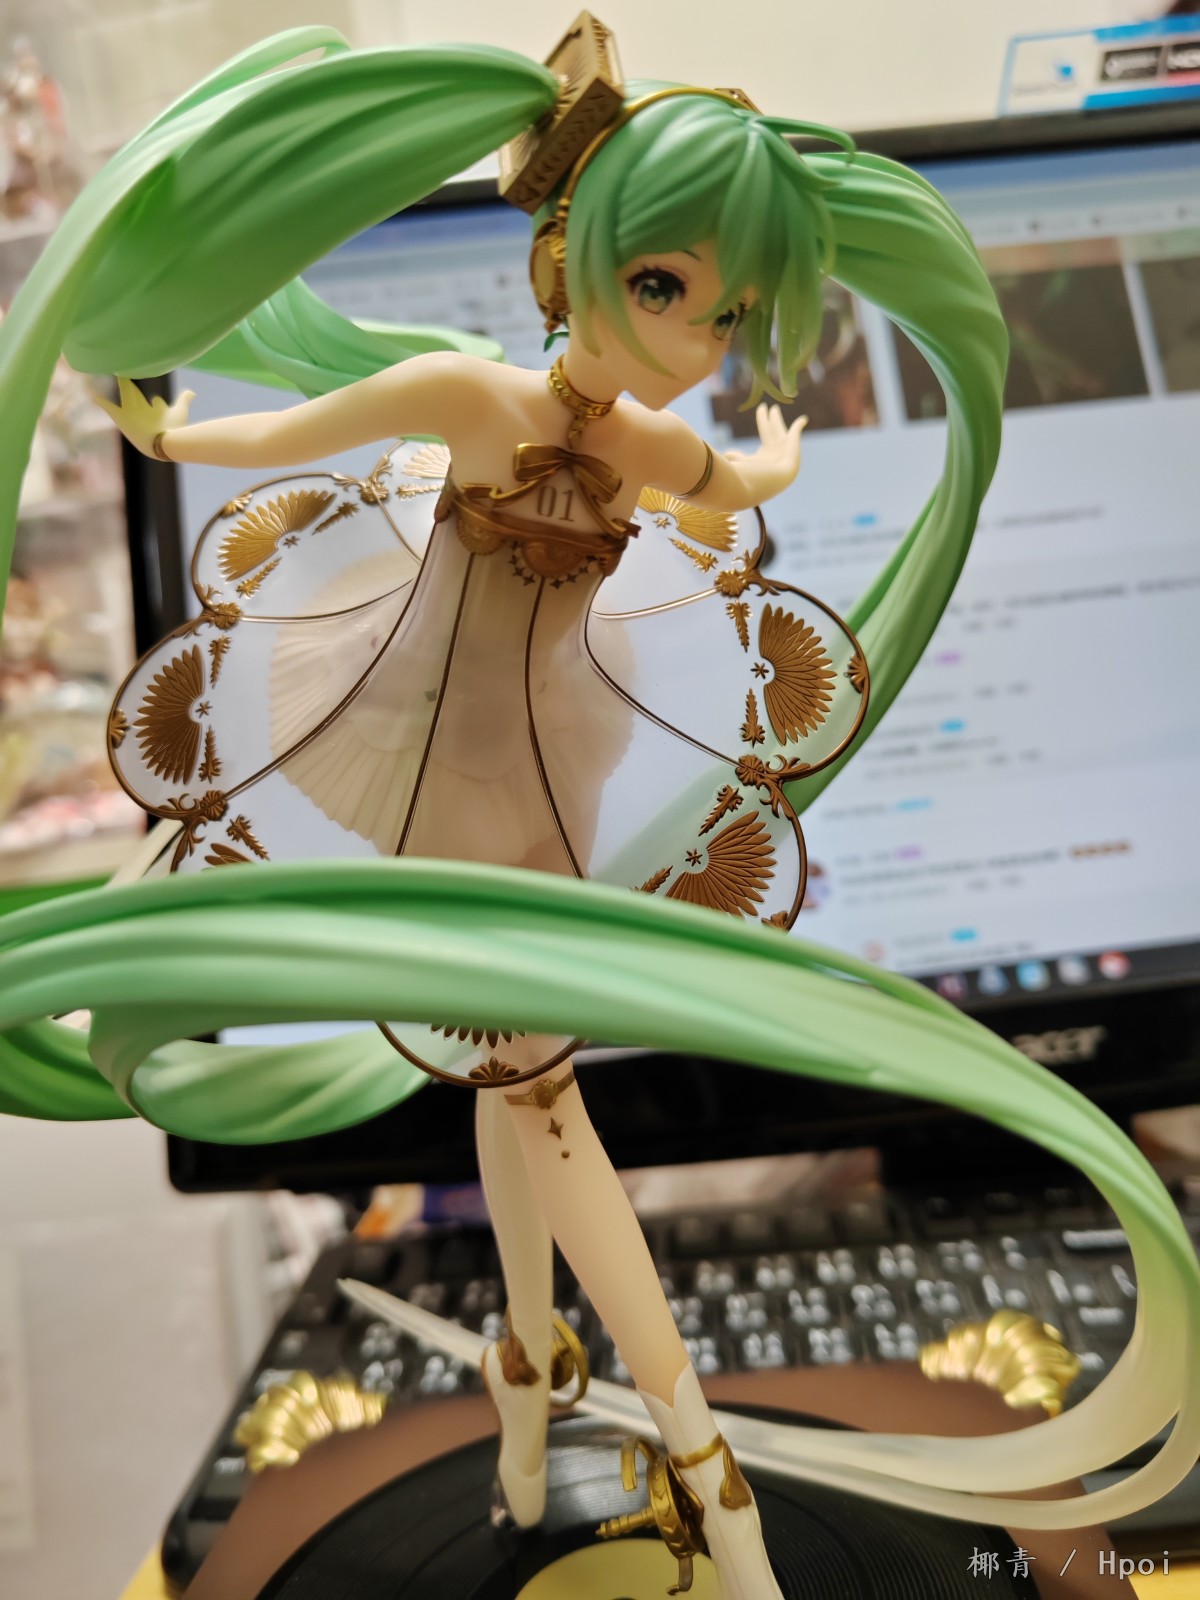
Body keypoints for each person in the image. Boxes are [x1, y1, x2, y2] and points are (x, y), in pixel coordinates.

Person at [1, 22, 1196, 1600]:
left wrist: (769, 459)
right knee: (544, 1102)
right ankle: (700, 1458)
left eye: (731, 313)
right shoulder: (468, 395)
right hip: (421, 756)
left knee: (518, 1089)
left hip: (563, 763)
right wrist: (171, 434)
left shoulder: (650, 441)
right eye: (663, 286)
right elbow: (292, 432)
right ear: (572, 256)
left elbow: (725, 488)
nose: (696, 336)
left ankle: (529, 1382)